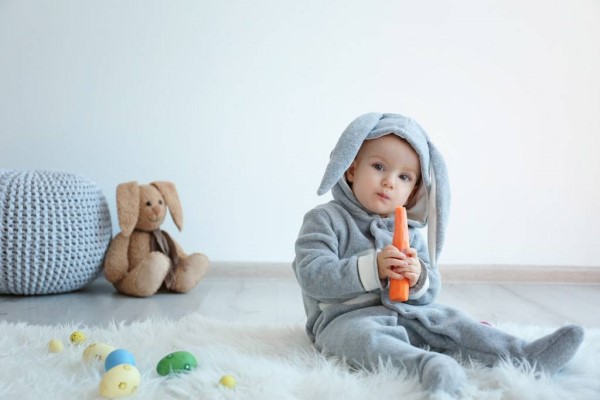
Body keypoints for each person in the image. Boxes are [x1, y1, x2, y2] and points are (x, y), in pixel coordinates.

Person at [292, 112, 584, 395]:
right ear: (351, 169)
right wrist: (373, 268)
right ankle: (428, 366)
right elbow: (312, 274)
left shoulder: (408, 231)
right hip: (345, 319)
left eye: (404, 176)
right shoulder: (325, 219)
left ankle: (524, 354)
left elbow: (430, 291)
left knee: (453, 321)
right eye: (379, 166)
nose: (390, 181)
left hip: (409, 311)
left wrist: (418, 277)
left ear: (413, 191)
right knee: (364, 340)